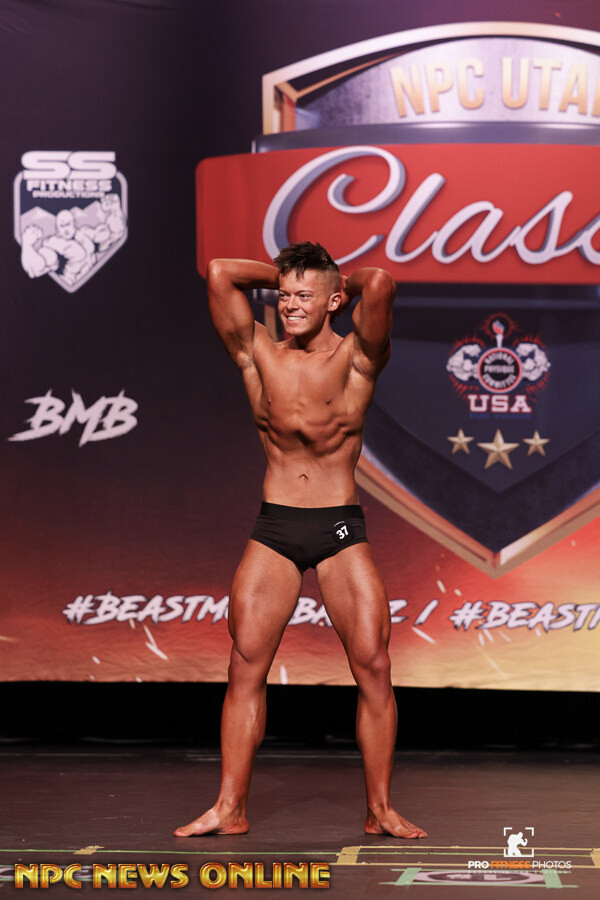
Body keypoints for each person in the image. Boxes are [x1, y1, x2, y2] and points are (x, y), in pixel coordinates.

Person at [174, 242, 426, 840]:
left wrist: (333, 281)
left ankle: (380, 808)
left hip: (339, 527)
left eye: (303, 297)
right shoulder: (257, 352)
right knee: (244, 666)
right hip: (277, 528)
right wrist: (287, 276)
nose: (288, 305)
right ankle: (230, 808)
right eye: (283, 296)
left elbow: (380, 282)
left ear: (335, 301)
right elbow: (220, 272)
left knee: (373, 665)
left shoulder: (358, 357)